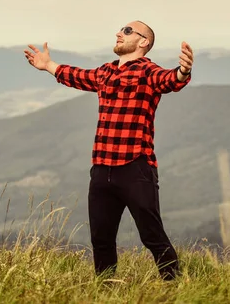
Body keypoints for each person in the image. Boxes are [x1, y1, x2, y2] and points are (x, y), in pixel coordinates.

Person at [24, 20, 194, 281]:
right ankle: (106, 291)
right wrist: (48, 65)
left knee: (152, 236)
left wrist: (183, 70)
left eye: (126, 31)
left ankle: (175, 288)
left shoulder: (148, 72)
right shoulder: (106, 72)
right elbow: (77, 76)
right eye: (120, 30)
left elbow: (170, 79)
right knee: (101, 240)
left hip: (135, 167)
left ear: (143, 42)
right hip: (102, 169)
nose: (118, 33)